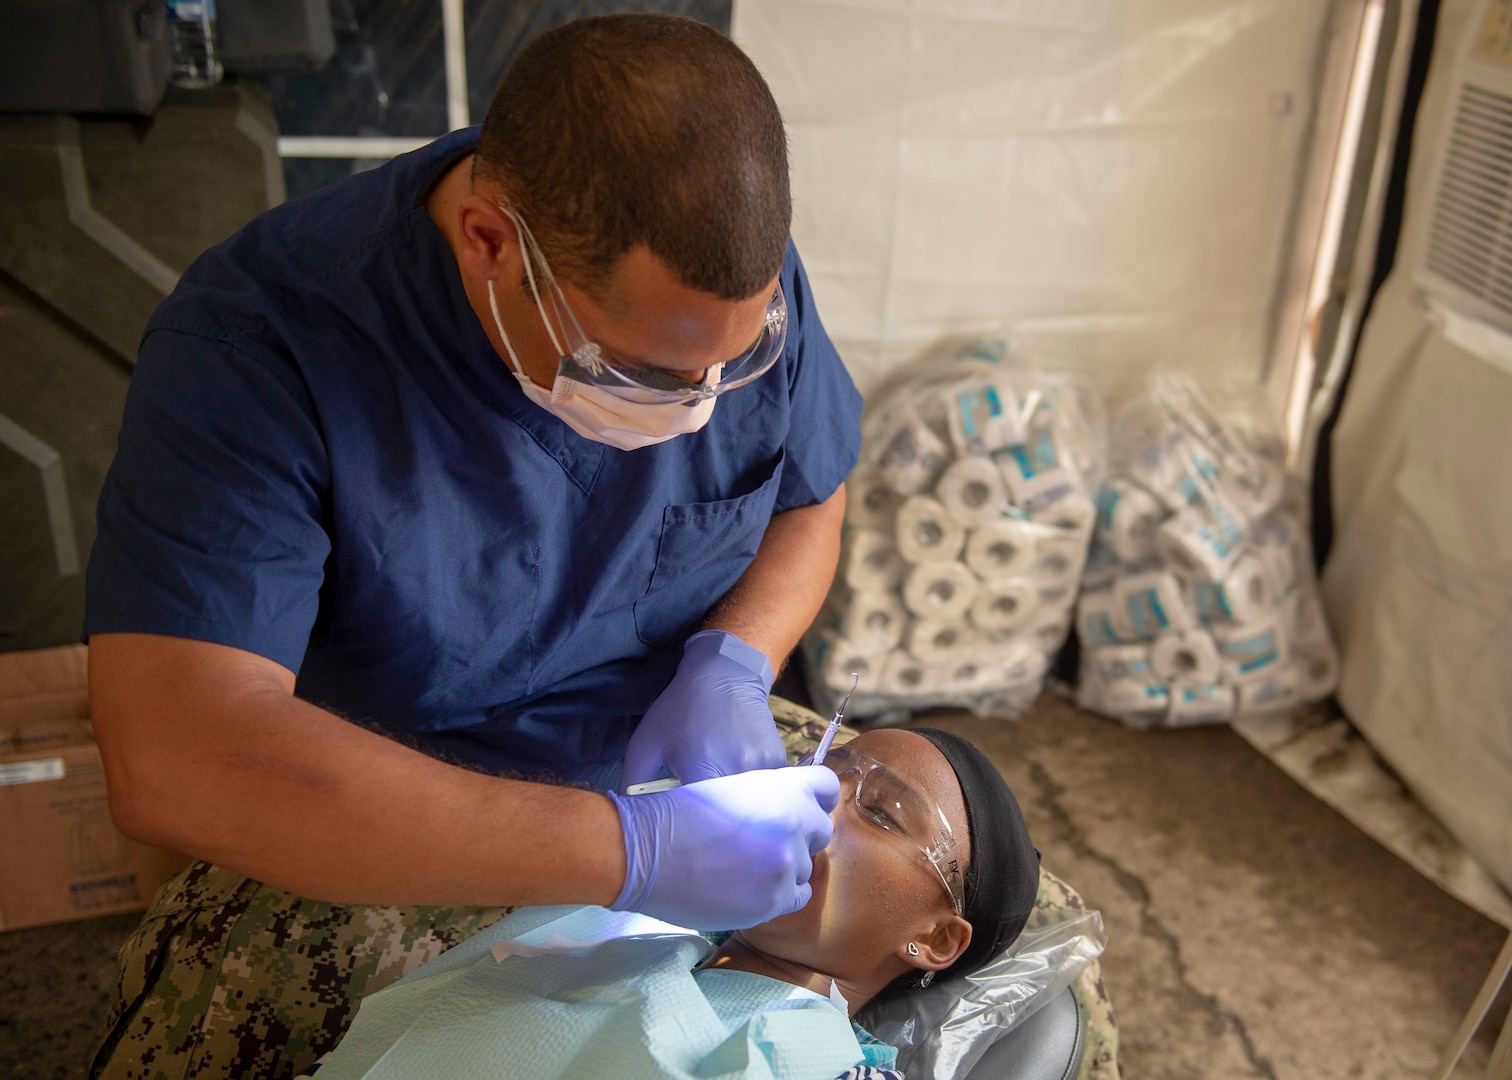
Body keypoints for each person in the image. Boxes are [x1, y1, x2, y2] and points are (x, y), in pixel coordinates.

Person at [83, 14, 862, 1078]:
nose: (699, 405)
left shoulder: (723, 289)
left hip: (671, 776)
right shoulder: (258, 350)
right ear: (491, 243)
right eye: (641, 372)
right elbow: (177, 755)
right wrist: (625, 854)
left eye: (738, 364)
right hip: (390, 812)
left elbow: (812, 500)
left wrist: (734, 661)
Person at [302, 727, 1042, 1080]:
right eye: (827, 768)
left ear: (936, 939)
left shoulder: (832, 1070)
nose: (819, 800)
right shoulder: (624, 916)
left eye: (880, 812)